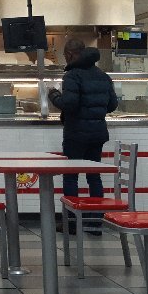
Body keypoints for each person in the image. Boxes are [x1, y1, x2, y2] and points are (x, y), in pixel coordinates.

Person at [47, 39, 118, 235]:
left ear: (70, 54)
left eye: (65, 55)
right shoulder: (103, 75)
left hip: (76, 133)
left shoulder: (72, 75)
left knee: (71, 176)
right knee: (94, 176)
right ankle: (96, 222)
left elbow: (69, 104)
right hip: (98, 133)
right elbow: (112, 105)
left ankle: (71, 223)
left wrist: (53, 95)